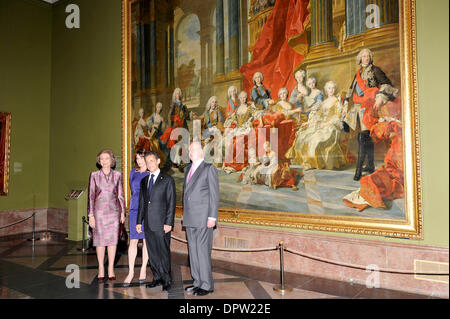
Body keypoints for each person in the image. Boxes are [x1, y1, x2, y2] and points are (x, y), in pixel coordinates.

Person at [343, 48, 399, 181]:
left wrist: (380, 98)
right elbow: (350, 90)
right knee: (363, 137)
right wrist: (345, 104)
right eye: (363, 56)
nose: (366, 58)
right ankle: (370, 165)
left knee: (363, 137)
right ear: (360, 59)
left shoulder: (375, 70)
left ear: (370, 58)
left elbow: (387, 85)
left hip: (370, 106)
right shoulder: (358, 73)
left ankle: (358, 170)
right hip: (357, 107)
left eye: (368, 56)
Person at [182, 141, 219, 296]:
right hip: (190, 217)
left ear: (201, 152)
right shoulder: (188, 169)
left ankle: (206, 285)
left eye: (193, 150)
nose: (190, 152)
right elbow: (187, 195)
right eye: (189, 150)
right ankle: (197, 282)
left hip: (204, 218)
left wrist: (212, 216)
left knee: (202, 251)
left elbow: (214, 194)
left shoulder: (209, 168)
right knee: (193, 251)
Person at [136, 151, 176, 291]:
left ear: (158, 161)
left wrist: (169, 223)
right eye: (147, 162)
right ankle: (157, 277)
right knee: (152, 252)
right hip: (147, 223)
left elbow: (171, 203)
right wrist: (139, 222)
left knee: (163, 252)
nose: (149, 164)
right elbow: (142, 202)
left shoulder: (167, 180)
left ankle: (166, 279)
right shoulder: (144, 181)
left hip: (161, 224)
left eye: (151, 160)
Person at [286, 80, 347, 170]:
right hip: (321, 124)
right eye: (329, 88)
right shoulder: (324, 101)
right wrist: (309, 122)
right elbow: (319, 115)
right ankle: (308, 162)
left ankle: (314, 163)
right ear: (326, 90)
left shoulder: (337, 101)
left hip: (331, 126)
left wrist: (326, 123)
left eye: (333, 88)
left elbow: (338, 117)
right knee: (303, 136)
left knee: (316, 140)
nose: (331, 90)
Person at [88, 149, 125, 282]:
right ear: (99, 161)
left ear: (112, 160)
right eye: (102, 159)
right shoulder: (94, 175)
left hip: (114, 213)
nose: (104, 161)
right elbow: (91, 196)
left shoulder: (118, 175)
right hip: (99, 213)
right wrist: (91, 215)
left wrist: (122, 213)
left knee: (112, 241)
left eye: (107, 158)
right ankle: (101, 269)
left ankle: (110, 268)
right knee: (99, 241)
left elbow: (120, 195)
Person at [122, 149, 149, 287]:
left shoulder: (151, 173)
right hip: (134, 209)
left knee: (145, 241)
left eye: (141, 158)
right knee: (133, 241)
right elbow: (133, 191)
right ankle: (131, 272)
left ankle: (143, 269)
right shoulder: (133, 172)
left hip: (147, 210)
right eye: (137, 158)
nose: (139, 161)